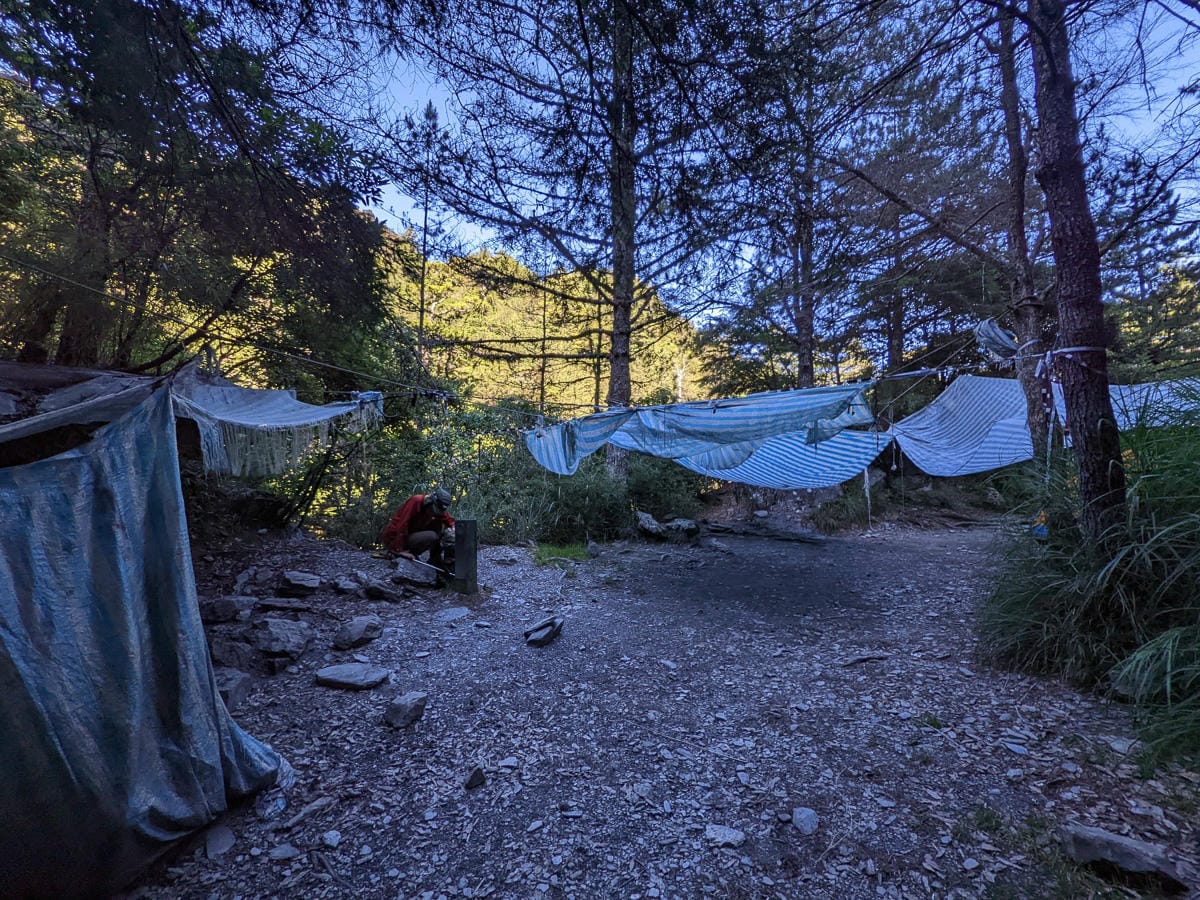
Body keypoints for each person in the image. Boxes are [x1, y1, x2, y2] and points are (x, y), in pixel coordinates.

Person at [381, 488, 456, 570]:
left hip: (412, 534)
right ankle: (404, 551)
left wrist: (453, 530)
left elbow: (449, 520)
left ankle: (435, 559)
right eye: (433, 510)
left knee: (441, 524)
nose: (433, 512)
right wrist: (399, 550)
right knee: (432, 536)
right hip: (395, 539)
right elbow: (402, 525)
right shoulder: (416, 501)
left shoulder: (437, 508)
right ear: (430, 501)